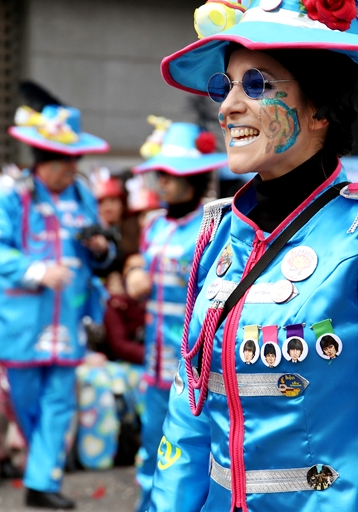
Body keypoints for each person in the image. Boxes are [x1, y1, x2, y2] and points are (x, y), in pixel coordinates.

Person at [150, 0, 358, 510]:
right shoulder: (217, 234)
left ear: (319, 108)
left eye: (256, 85)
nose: (226, 107)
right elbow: (188, 412)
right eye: (225, 86)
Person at [0, 81, 112, 510]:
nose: (73, 167)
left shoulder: (82, 193)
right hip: (22, 322)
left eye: (76, 159)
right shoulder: (10, 192)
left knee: (59, 402)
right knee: (24, 402)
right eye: (65, 160)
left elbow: (99, 252)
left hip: (68, 320)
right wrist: (36, 270)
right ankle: (38, 470)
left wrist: (102, 250)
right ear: (43, 159)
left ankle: (41, 481)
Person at [126, 117, 227, 512]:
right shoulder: (153, 225)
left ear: (197, 178)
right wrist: (134, 269)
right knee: (151, 445)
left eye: (170, 174)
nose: (162, 182)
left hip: (192, 363)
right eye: (159, 174)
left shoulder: (215, 225)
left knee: (190, 451)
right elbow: (140, 270)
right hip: (152, 362)